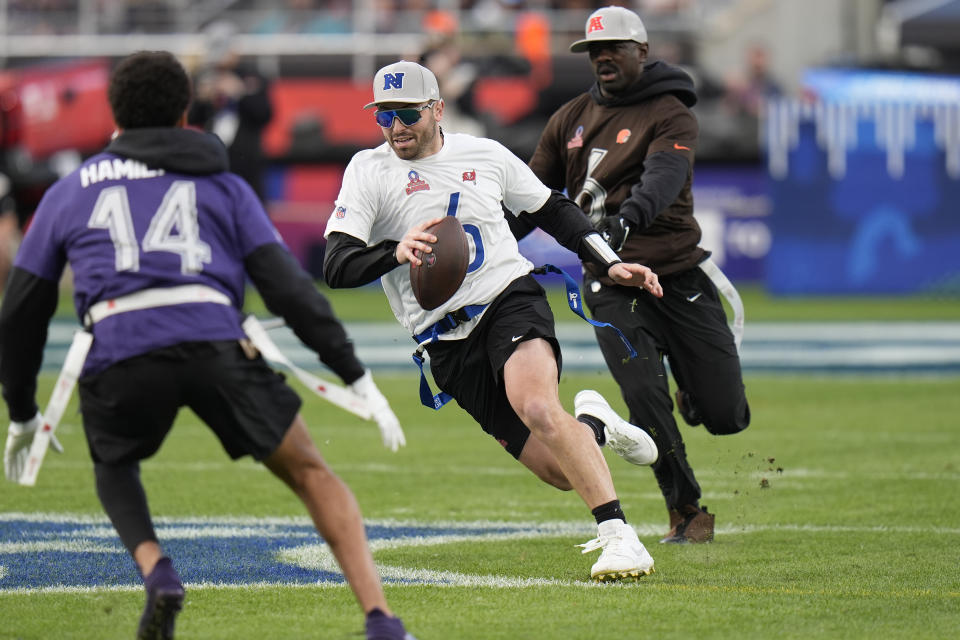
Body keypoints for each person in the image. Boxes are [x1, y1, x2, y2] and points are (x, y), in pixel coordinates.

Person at [0, 51, 414, 640]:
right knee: (312, 473)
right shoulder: (222, 184)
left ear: (113, 113)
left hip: (121, 346)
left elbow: (21, 309)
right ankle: (381, 619)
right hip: (217, 340)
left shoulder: (72, 191)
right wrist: (353, 372)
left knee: (114, 463)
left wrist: (21, 409)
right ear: (186, 109)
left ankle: (158, 570)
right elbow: (287, 288)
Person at [323, 60, 663, 582]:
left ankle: (620, 537)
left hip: (507, 298)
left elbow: (553, 210)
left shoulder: (484, 154)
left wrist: (609, 261)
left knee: (536, 406)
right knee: (559, 472)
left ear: (437, 109)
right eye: (384, 116)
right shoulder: (368, 170)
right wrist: (395, 253)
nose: (396, 128)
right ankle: (594, 423)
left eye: (407, 113)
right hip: (443, 340)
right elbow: (336, 264)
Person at [525, 6, 751, 544]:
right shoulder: (568, 120)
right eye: (594, 50)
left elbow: (663, 177)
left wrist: (623, 228)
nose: (603, 57)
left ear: (642, 52)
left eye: (615, 48)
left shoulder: (671, 112)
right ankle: (687, 510)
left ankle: (695, 394)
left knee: (726, 416)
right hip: (611, 284)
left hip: (677, 273)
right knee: (644, 397)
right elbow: (529, 194)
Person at [187, 21, 273, 203]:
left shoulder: (252, 76)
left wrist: (240, 93)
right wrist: (202, 99)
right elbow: (192, 118)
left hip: (247, 163)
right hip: (214, 160)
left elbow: (264, 114)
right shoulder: (205, 77)